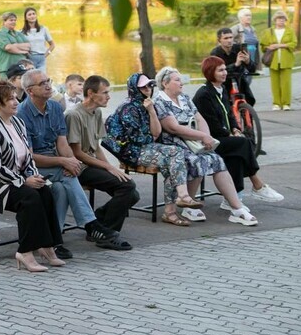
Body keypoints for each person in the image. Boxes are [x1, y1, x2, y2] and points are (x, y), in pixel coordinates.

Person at [16, 68, 124, 254]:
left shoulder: (56, 107)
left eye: (48, 80)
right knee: (68, 178)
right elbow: (28, 157)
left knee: (60, 188)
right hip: (29, 166)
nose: (49, 85)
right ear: (30, 91)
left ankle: (53, 240)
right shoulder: (21, 114)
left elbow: (62, 143)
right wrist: (64, 162)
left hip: (53, 160)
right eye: (42, 83)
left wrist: (71, 161)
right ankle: (92, 225)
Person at [0, 80, 65, 272]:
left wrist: (34, 176)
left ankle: (47, 245)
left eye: (16, 97)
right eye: (10, 99)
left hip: (9, 176)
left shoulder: (17, 122)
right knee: (29, 197)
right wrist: (24, 181)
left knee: (44, 191)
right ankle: (25, 252)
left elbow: (27, 155)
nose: (16, 102)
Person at [153, 66, 259, 226]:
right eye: (177, 80)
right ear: (165, 83)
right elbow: (173, 128)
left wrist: (206, 138)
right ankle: (189, 203)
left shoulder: (184, 98)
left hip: (193, 142)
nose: (181, 84)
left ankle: (236, 208)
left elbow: (200, 119)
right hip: (173, 145)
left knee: (216, 160)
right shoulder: (160, 101)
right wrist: (202, 136)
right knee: (198, 160)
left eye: (181, 80)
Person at [103, 73, 204, 227]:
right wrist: (154, 139)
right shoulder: (128, 107)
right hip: (131, 151)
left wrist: (151, 111)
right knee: (175, 153)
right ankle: (181, 198)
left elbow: (155, 134)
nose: (147, 89)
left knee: (174, 160)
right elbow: (138, 139)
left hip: (147, 147)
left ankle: (171, 211)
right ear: (134, 88)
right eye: (143, 86)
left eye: (150, 85)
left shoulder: (148, 104)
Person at [193, 57, 284, 204]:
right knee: (242, 144)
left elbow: (229, 114)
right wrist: (229, 134)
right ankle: (258, 186)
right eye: (220, 70)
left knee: (236, 154)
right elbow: (212, 125)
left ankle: (232, 200)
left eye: (225, 69)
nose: (225, 73)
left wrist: (235, 128)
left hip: (223, 138)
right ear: (210, 72)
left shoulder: (221, 89)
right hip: (209, 140)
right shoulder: (204, 94)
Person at [65, 76, 139, 240]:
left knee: (133, 194)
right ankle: (107, 234)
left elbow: (96, 146)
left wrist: (110, 167)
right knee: (127, 187)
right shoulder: (74, 114)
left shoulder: (96, 112)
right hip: (79, 167)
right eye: (104, 92)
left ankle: (99, 221)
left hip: (91, 163)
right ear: (91, 93)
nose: (109, 96)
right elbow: (76, 152)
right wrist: (108, 167)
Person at [260, 10, 296, 111]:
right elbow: (263, 46)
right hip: (273, 61)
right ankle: (276, 103)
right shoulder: (269, 32)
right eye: (279, 19)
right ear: (275, 20)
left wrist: (280, 45)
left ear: (286, 20)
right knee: (274, 83)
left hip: (286, 60)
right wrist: (269, 47)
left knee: (286, 83)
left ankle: (286, 104)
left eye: (283, 19)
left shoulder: (290, 31)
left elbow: (294, 44)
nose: (281, 21)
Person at [210, 27, 257, 106]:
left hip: (239, 80)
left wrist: (248, 61)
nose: (229, 40)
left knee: (250, 100)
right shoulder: (215, 53)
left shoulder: (239, 49)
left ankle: (247, 116)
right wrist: (236, 64)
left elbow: (252, 69)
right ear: (219, 41)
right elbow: (216, 72)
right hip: (223, 82)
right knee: (223, 104)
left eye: (231, 37)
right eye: (226, 38)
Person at [0, 12, 31, 79]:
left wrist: (15, 45)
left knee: (22, 88)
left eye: (15, 20)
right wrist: (22, 51)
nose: (13, 22)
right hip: (7, 69)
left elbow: (28, 46)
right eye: (11, 20)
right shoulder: (0, 34)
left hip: (21, 68)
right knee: (8, 88)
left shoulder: (19, 34)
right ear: (4, 21)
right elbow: (8, 47)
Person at [21, 7, 55, 72]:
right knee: (31, 80)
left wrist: (45, 55)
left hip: (42, 59)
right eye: (29, 14)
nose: (32, 16)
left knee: (42, 79)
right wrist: (27, 55)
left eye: (34, 14)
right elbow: (20, 47)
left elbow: (52, 45)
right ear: (26, 18)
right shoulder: (22, 32)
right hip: (29, 60)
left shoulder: (44, 29)